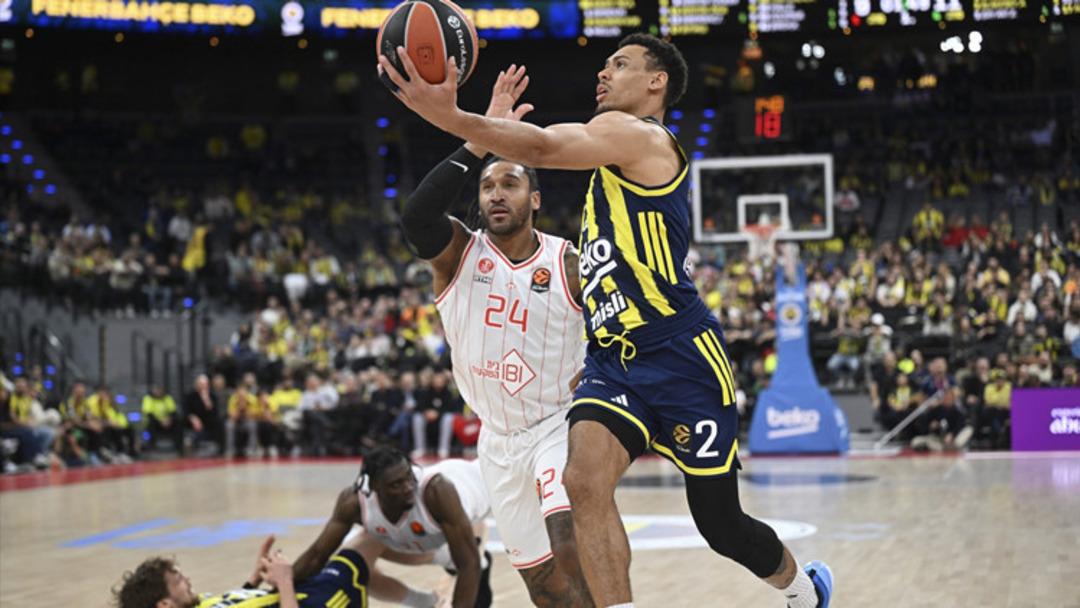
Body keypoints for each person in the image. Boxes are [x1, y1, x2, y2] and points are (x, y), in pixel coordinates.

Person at [379, 32, 833, 607]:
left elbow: (542, 146)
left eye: (619, 64)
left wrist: (451, 116)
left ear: (656, 82)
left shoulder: (639, 136)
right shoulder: (608, 163)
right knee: (583, 483)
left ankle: (803, 590)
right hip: (614, 362)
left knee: (721, 526)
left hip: (679, 353)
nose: (603, 73)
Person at [395, 67, 591, 605]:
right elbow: (416, 218)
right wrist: (477, 138)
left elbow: (617, 328)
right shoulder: (459, 253)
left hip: (558, 425)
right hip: (497, 440)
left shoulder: (568, 262)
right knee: (542, 586)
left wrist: (599, 369)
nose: (497, 194)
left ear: (535, 199)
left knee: (568, 541)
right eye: (487, 186)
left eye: (510, 184)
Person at [293, 447, 492, 608]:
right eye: (396, 485)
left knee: (467, 557)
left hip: (487, 484)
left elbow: (468, 564)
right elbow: (317, 556)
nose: (408, 487)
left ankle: (467, 558)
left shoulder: (436, 492)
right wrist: (282, 584)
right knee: (355, 561)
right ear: (374, 488)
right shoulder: (354, 502)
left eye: (409, 476)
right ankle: (428, 597)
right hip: (423, 535)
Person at [112, 535, 369, 608]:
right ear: (165, 604)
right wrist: (284, 581)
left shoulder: (195, 603)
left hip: (300, 595)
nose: (187, 580)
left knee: (366, 557)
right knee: (364, 539)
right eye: (178, 580)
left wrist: (252, 581)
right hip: (320, 602)